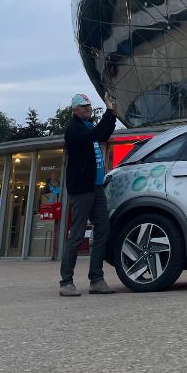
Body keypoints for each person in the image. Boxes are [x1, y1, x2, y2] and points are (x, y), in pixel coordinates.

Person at [59, 92, 118, 297]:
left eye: (89, 106)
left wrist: (112, 114)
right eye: (84, 107)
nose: (88, 109)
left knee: (103, 229)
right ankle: (66, 281)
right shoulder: (74, 130)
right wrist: (108, 112)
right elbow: (95, 135)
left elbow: (104, 134)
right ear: (75, 110)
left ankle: (96, 279)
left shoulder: (88, 127)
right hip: (82, 188)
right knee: (76, 234)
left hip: (96, 187)